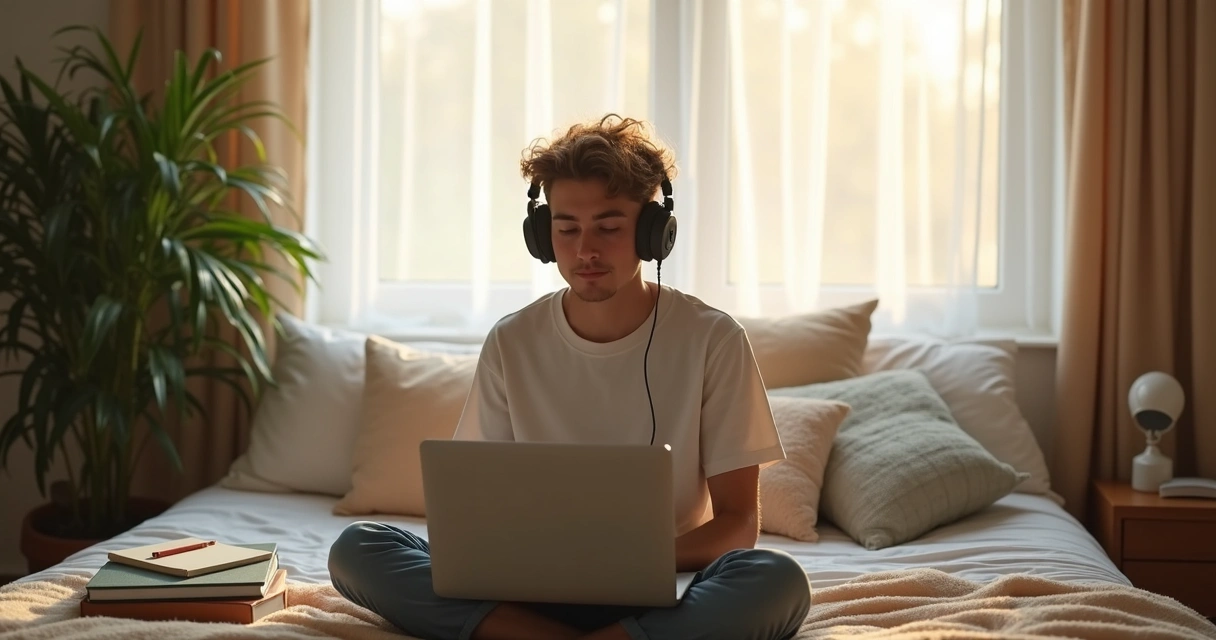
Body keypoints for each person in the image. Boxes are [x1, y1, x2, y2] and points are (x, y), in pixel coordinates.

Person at [328, 114, 812, 640]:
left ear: (653, 231)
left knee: (775, 579)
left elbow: (739, 523)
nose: (585, 251)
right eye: (566, 229)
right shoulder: (511, 340)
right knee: (359, 547)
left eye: (609, 227)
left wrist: (623, 565)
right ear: (542, 235)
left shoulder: (713, 339)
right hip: (527, 588)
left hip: (659, 585)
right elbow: (474, 513)